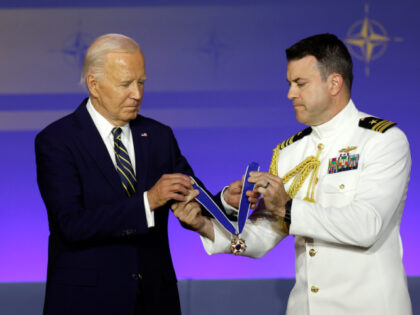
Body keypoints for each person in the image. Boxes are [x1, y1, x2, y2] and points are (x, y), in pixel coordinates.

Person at [172, 34, 413, 315]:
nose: (290, 94)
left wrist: (286, 208)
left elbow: (367, 227)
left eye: (300, 83)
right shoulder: (289, 153)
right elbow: (261, 239)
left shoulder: (382, 140)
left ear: (334, 83)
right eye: (289, 83)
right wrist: (206, 226)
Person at [35, 33, 244, 315]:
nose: (137, 94)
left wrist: (225, 200)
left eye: (141, 82)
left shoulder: (159, 136)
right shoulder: (57, 141)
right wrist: (147, 202)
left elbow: (193, 198)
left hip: (155, 300)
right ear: (94, 85)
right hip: (86, 303)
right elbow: (70, 225)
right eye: (125, 84)